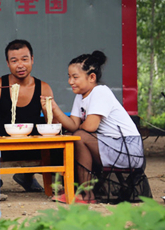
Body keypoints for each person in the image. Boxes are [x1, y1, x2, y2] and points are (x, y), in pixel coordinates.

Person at [43, 51, 151, 203]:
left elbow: (91, 126)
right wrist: (54, 108)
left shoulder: (100, 92)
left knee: (78, 137)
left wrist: (78, 128)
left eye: (75, 77)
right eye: (69, 76)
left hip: (127, 148)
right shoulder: (80, 96)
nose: (70, 81)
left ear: (92, 77)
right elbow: (73, 126)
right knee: (72, 135)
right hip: (111, 144)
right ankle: (77, 190)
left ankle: (86, 194)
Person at [0, 39, 54, 192]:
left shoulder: (43, 88)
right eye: (14, 60)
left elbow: (52, 123)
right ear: (8, 63)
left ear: (32, 60)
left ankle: (27, 177)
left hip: (33, 145)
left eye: (25, 59)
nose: (20, 65)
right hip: (1, 145)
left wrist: (51, 108)